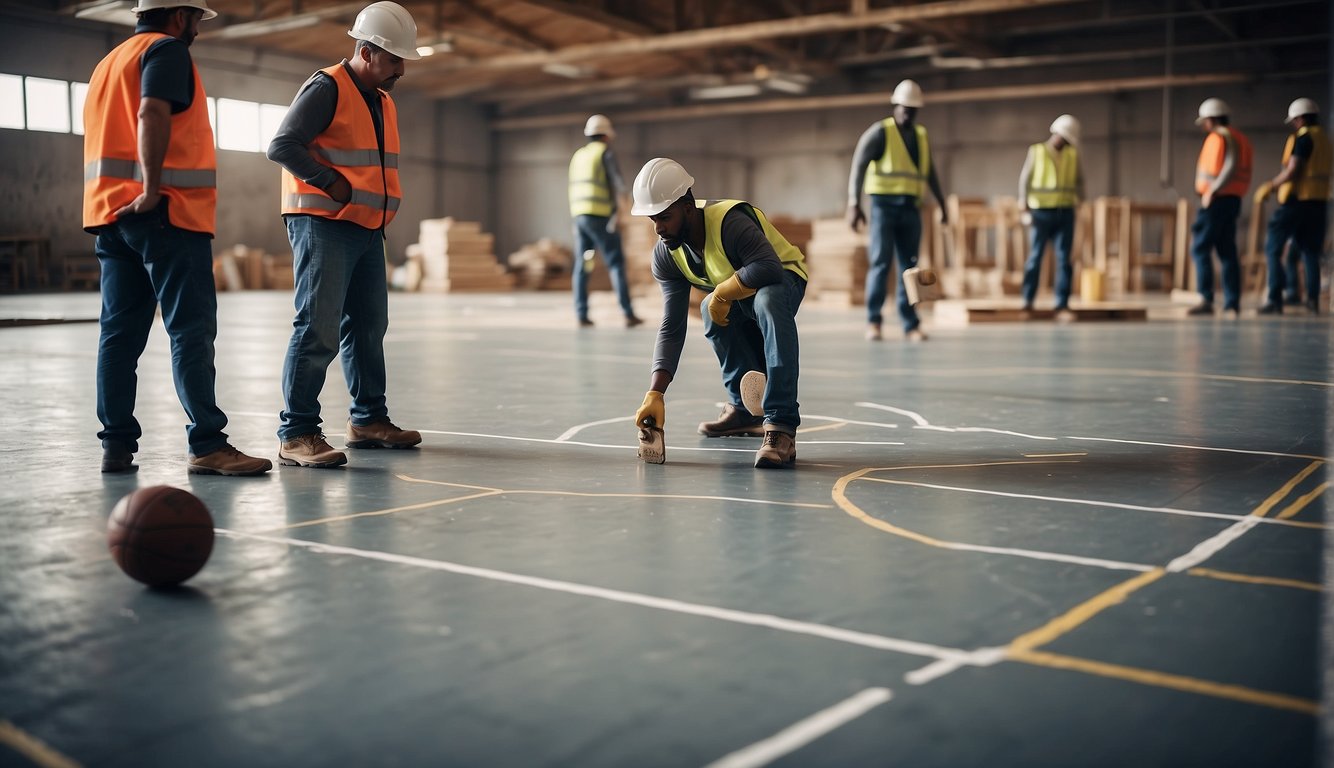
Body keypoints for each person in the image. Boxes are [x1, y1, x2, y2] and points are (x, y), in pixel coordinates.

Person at [83, 0, 271, 476]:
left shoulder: (109, 62)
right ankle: (207, 443)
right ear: (181, 15)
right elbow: (150, 113)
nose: (198, 31)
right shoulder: (167, 51)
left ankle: (116, 447)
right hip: (164, 213)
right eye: (197, 20)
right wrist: (150, 191)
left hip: (110, 215)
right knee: (190, 330)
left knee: (119, 337)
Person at [267, 1, 423, 467]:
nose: (401, 69)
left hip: (366, 228)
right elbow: (282, 145)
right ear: (366, 50)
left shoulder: (381, 99)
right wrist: (330, 182)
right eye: (394, 59)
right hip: (324, 225)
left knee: (369, 326)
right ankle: (296, 433)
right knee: (317, 328)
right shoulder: (326, 87)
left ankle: (368, 420)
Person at [630, 158, 808, 469]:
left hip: (783, 279)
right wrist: (655, 391)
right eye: (652, 219)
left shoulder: (730, 222)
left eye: (665, 217)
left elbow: (768, 268)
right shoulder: (666, 254)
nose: (658, 228)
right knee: (708, 311)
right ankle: (743, 411)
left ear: (688, 206)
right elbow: (672, 327)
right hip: (745, 289)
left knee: (765, 301)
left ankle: (781, 426)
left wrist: (723, 293)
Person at [846, 79, 948, 341]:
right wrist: (854, 203)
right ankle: (874, 322)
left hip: (911, 209)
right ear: (896, 105)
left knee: (910, 267)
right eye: (904, 107)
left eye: (912, 109)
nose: (907, 112)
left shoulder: (922, 136)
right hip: (883, 207)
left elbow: (930, 173)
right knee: (880, 264)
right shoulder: (880, 133)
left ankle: (911, 324)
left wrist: (942, 203)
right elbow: (858, 165)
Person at [1254, 98, 1330, 315]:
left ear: (1299, 118)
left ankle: (1275, 300)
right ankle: (1311, 300)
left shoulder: (1304, 138)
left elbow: (1293, 169)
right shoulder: (1325, 139)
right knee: (1309, 251)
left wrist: (1271, 185)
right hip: (1319, 202)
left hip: (1297, 201)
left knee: (1273, 248)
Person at [568, 114, 643, 328]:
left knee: (583, 264)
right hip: (601, 218)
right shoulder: (605, 153)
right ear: (607, 136)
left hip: (580, 217)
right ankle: (628, 313)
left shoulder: (579, 156)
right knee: (616, 263)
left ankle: (581, 314)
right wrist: (625, 209)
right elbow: (619, 184)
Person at [1187, 98, 1252, 317]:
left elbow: (1230, 165)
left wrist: (1212, 190)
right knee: (1226, 250)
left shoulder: (1221, 136)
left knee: (1199, 247)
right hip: (1233, 199)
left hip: (1216, 200)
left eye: (1205, 121)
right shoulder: (1240, 138)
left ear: (1211, 119)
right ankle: (1232, 303)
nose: (1204, 125)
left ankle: (1206, 299)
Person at [1018, 115, 1084, 316]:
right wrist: (1024, 203)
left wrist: (1081, 202)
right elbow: (1025, 180)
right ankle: (1027, 302)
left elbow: (1080, 181)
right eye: (1062, 138)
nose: (1063, 143)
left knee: (1064, 259)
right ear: (1055, 133)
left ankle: (1062, 304)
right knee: (1035, 257)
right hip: (1041, 213)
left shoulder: (1072, 155)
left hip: (1065, 213)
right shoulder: (1037, 151)